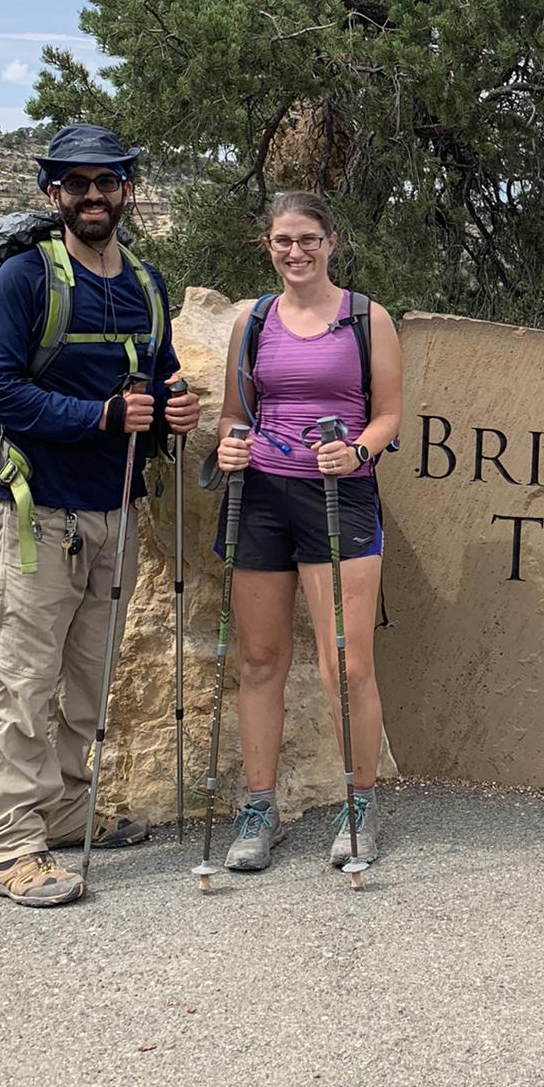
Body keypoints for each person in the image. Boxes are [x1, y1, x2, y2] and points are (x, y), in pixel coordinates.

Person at [0, 123, 201, 905]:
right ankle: (7, 849)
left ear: (126, 191)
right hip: (39, 515)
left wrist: (174, 406)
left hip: (116, 510)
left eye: (106, 182)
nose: (93, 195)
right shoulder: (25, 280)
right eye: (77, 184)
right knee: (25, 682)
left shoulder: (146, 284)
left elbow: (160, 374)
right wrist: (100, 418)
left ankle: (68, 812)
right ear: (53, 195)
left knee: (88, 682)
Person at [213, 191, 402, 873]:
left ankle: (360, 802)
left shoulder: (365, 318)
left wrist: (357, 451)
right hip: (261, 494)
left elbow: (388, 416)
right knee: (260, 660)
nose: (295, 252)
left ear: (331, 242)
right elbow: (238, 412)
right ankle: (259, 807)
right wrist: (231, 444)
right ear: (267, 246)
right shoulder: (253, 321)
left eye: (308, 240)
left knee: (345, 665)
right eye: (282, 241)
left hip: (340, 497)